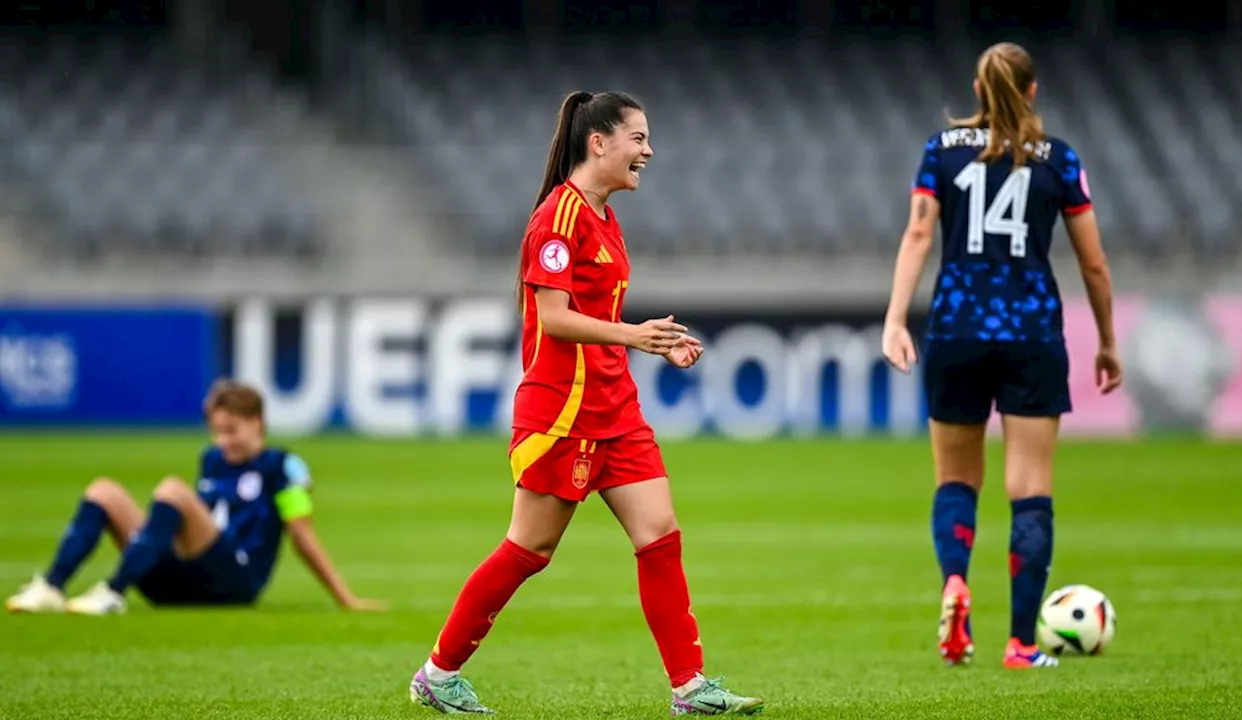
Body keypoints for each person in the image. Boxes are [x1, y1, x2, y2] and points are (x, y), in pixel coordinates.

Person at [406, 91, 763, 716]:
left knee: (661, 535)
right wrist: (634, 336)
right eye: (639, 138)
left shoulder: (603, 216)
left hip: (615, 408)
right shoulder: (557, 219)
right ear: (599, 142)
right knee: (529, 550)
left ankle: (690, 688)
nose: (649, 151)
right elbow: (553, 318)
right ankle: (438, 672)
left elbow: (596, 313)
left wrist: (658, 344)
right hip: (561, 412)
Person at [881, 42, 1122, 670]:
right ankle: (1020, 643)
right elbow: (1093, 262)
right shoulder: (1060, 160)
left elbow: (917, 232)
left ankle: (954, 583)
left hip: (957, 326)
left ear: (979, 90)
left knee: (956, 479)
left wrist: (895, 318)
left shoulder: (941, 150)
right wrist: (1106, 338)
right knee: (1030, 489)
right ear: (1033, 91)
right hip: (1032, 332)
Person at [5, 379, 383, 615]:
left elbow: (302, 533)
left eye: (232, 430)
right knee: (103, 491)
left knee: (172, 489)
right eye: (216, 432)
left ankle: (114, 592)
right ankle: (51, 587)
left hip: (236, 581)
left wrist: (343, 597)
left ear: (258, 423)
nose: (223, 441)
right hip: (184, 579)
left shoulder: (284, 466)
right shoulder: (212, 460)